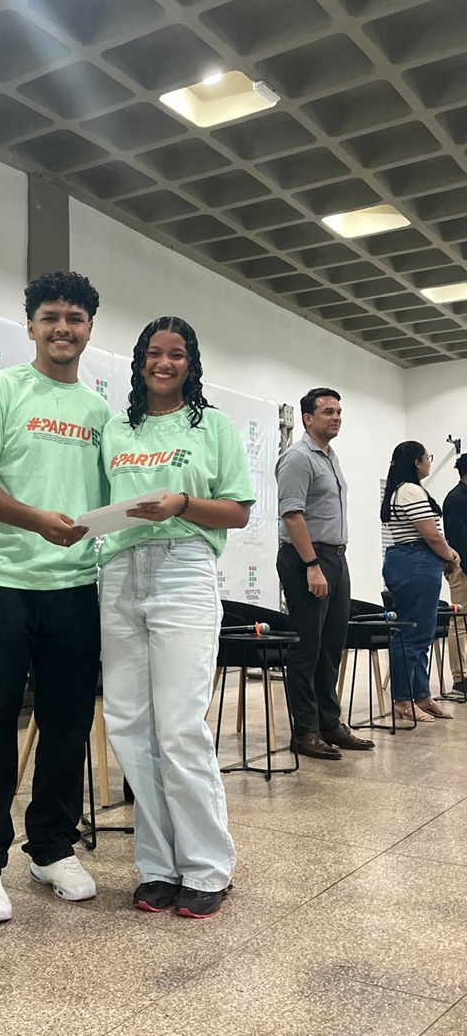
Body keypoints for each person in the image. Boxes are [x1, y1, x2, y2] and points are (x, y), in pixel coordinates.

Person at [0, 271, 110, 923]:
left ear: (89, 329)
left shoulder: (100, 412)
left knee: (68, 723)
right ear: (30, 325)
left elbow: (112, 498)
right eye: (50, 317)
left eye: (74, 318)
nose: (62, 328)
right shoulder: (1, 391)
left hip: (74, 588)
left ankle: (51, 847)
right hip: (0, 583)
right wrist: (36, 521)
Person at [99, 316, 254, 919]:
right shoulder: (117, 428)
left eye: (177, 354)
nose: (164, 364)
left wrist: (182, 504)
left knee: (180, 726)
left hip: (183, 569)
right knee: (129, 724)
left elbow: (238, 511)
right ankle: (158, 865)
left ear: (192, 364)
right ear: (140, 360)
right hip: (120, 570)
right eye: (154, 353)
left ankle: (208, 866)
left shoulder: (211, 425)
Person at [275, 388, 375, 759]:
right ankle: (305, 731)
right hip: (308, 558)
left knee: (332, 645)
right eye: (328, 412)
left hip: (335, 558)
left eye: (339, 412)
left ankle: (329, 723)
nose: (336, 417)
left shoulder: (330, 457)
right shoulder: (298, 458)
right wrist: (312, 565)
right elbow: (292, 515)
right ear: (307, 418)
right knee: (307, 648)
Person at [381, 442, 459, 721]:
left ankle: (422, 696)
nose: (429, 462)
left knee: (422, 635)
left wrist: (445, 555)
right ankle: (403, 700)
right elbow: (431, 535)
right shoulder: (409, 491)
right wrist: (450, 556)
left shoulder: (403, 490)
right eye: (427, 457)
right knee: (411, 636)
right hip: (414, 563)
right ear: (416, 462)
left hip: (416, 562)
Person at [443, 454, 467, 695]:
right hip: (462, 568)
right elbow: (458, 539)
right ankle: (460, 678)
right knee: (459, 621)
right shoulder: (456, 499)